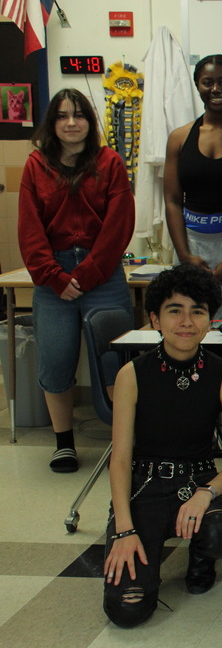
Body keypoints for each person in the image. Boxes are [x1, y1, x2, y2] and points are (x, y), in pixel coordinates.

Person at [103, 264, 222, 627]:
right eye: (174, 310)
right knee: (128, 610)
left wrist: (206, 493)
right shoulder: (132, 375)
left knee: (221, 533)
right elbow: (119, 460)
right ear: (154, 319)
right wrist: (123, 528)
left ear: (210, 320)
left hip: (197, 481)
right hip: (145, 487)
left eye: (197, 311)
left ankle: (202, 555)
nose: (187, 321)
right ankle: (143, 545)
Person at [17, 89, 135, 473]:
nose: (72, 122)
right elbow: (29, 231)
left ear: (90, 121)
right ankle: (63, 443)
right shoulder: (36, 166)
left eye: (79, 115)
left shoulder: (110, 162)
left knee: (116, 360)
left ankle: (125, 442)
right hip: (53, 278)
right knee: (56, 359)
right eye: (63, 115)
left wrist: (85, 275)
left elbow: (119, 226)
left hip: (102, 273)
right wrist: (54, 277)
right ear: (52, 123)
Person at [164, 54, 222, 300]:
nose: (216, 89)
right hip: (190, 244)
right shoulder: (179, 138)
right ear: (198, 86)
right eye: (207, 82)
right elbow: (172, 200)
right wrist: (184, 256)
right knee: (188, 323)